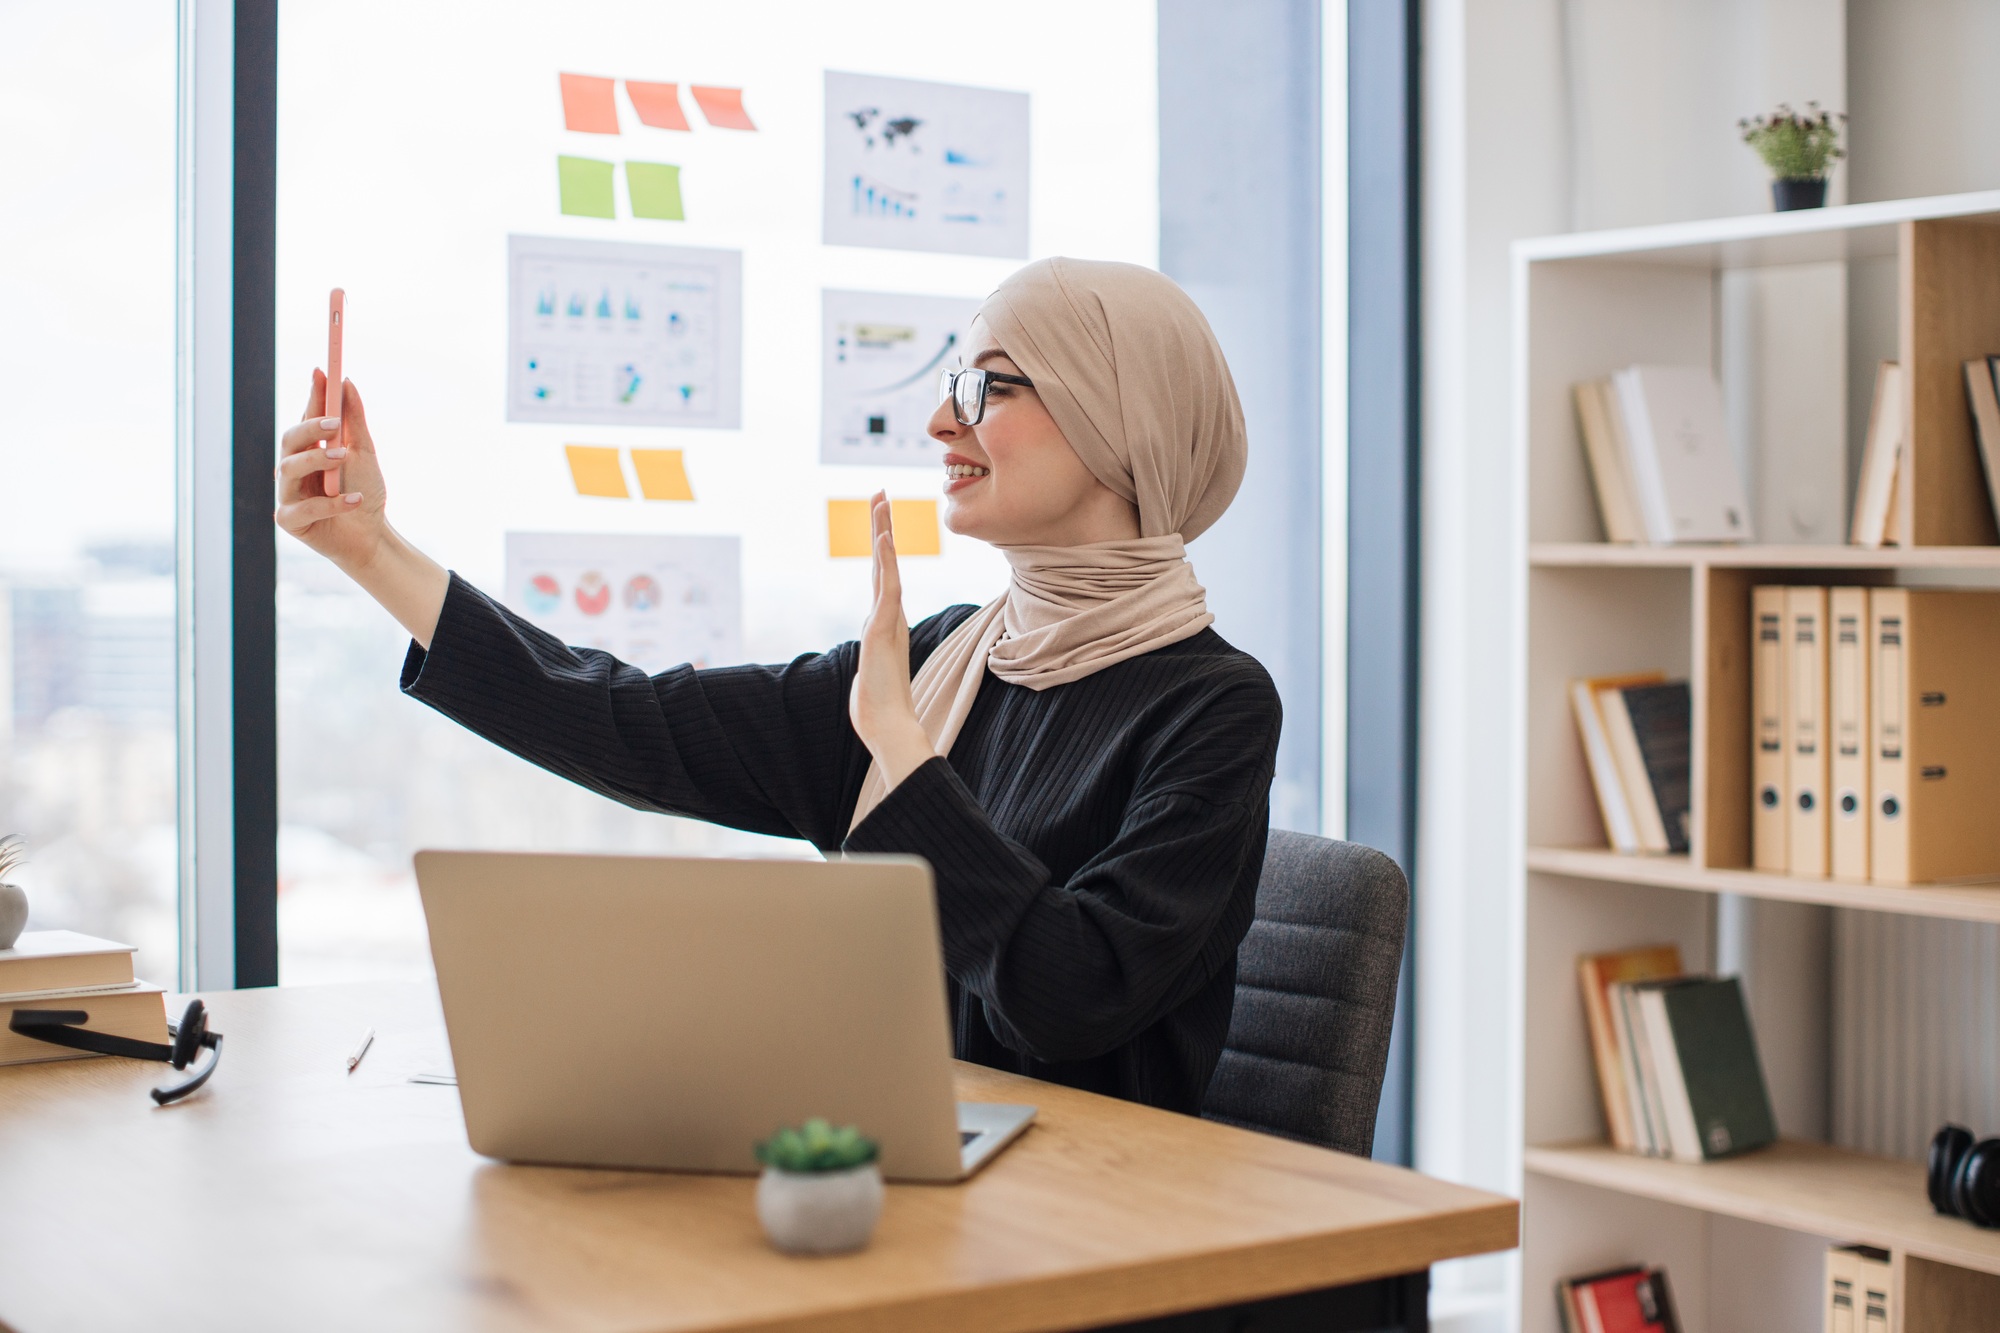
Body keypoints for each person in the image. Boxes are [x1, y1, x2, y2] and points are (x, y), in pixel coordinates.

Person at [275, 258, 1281, 1115]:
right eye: (947, 385)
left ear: (1116, 418)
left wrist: (901, 754)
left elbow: (1070, 995)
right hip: (897, 1160)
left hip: (1101, 1217)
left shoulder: (1210, 708)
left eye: (985, 387)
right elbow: (632, 723)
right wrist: (372, 553)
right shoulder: (938, 662)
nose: (938, 420)